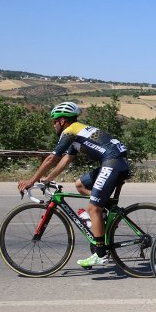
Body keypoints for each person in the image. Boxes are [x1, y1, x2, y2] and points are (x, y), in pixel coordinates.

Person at [17, 102, 130, 268]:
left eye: (54, 121)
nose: (54, 125)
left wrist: (31, 180)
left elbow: (52, 158)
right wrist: (48, 178)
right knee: (79, 185)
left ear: (62, 121)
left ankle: (101, 254)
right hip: (114, 162)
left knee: (93, 209)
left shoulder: (70, 131)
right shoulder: (78, 133)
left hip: (112, 163)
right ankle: (104, 215)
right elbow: (65, 160)